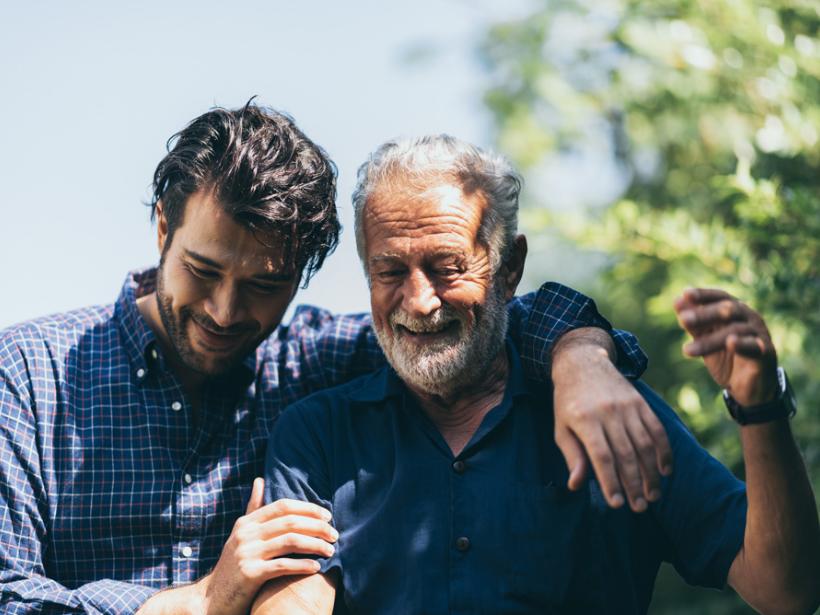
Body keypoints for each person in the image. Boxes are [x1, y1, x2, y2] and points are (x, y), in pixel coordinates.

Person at [0, 103, 667, 615]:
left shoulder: (314, 363)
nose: (226, 312)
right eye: (203, 270)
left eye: (264, 285)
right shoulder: (29, 375)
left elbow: (477, 319)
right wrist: (203, 599)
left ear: (303, 275)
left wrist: (582, 356)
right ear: (162, 229)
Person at [253, 135, 820, 615]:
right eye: (390, 271)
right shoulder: (317, 434)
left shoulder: (612, 412)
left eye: (447, 267)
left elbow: (786, 590)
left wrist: (760, 405)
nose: (420, 301)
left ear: (510, 268)